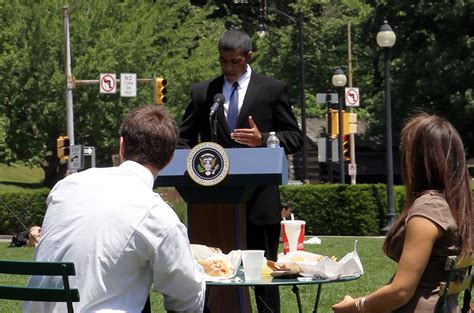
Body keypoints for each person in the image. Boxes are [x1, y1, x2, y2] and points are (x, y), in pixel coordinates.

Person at [23, 105, 206, 313]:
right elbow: (187, 298)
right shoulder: (158, 214)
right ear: (170, 158)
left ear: (122, 145)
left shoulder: (65, 186)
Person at [179, 29, 303, 312]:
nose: (228, 68)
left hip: (259, 201)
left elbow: (294, 137)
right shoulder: (204, 93)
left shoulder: (271, 89)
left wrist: (265, 139)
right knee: (213, 270)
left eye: (234, 61)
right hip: (212, 202)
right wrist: (193, 160)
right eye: (223, 62)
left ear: (248, 57)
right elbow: (182, 137)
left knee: (263, 274)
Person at [332, 112, 473, 313]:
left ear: (418, 160)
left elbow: (400, 292)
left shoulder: (429, 210)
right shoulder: (458, 206)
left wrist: (355, 306)